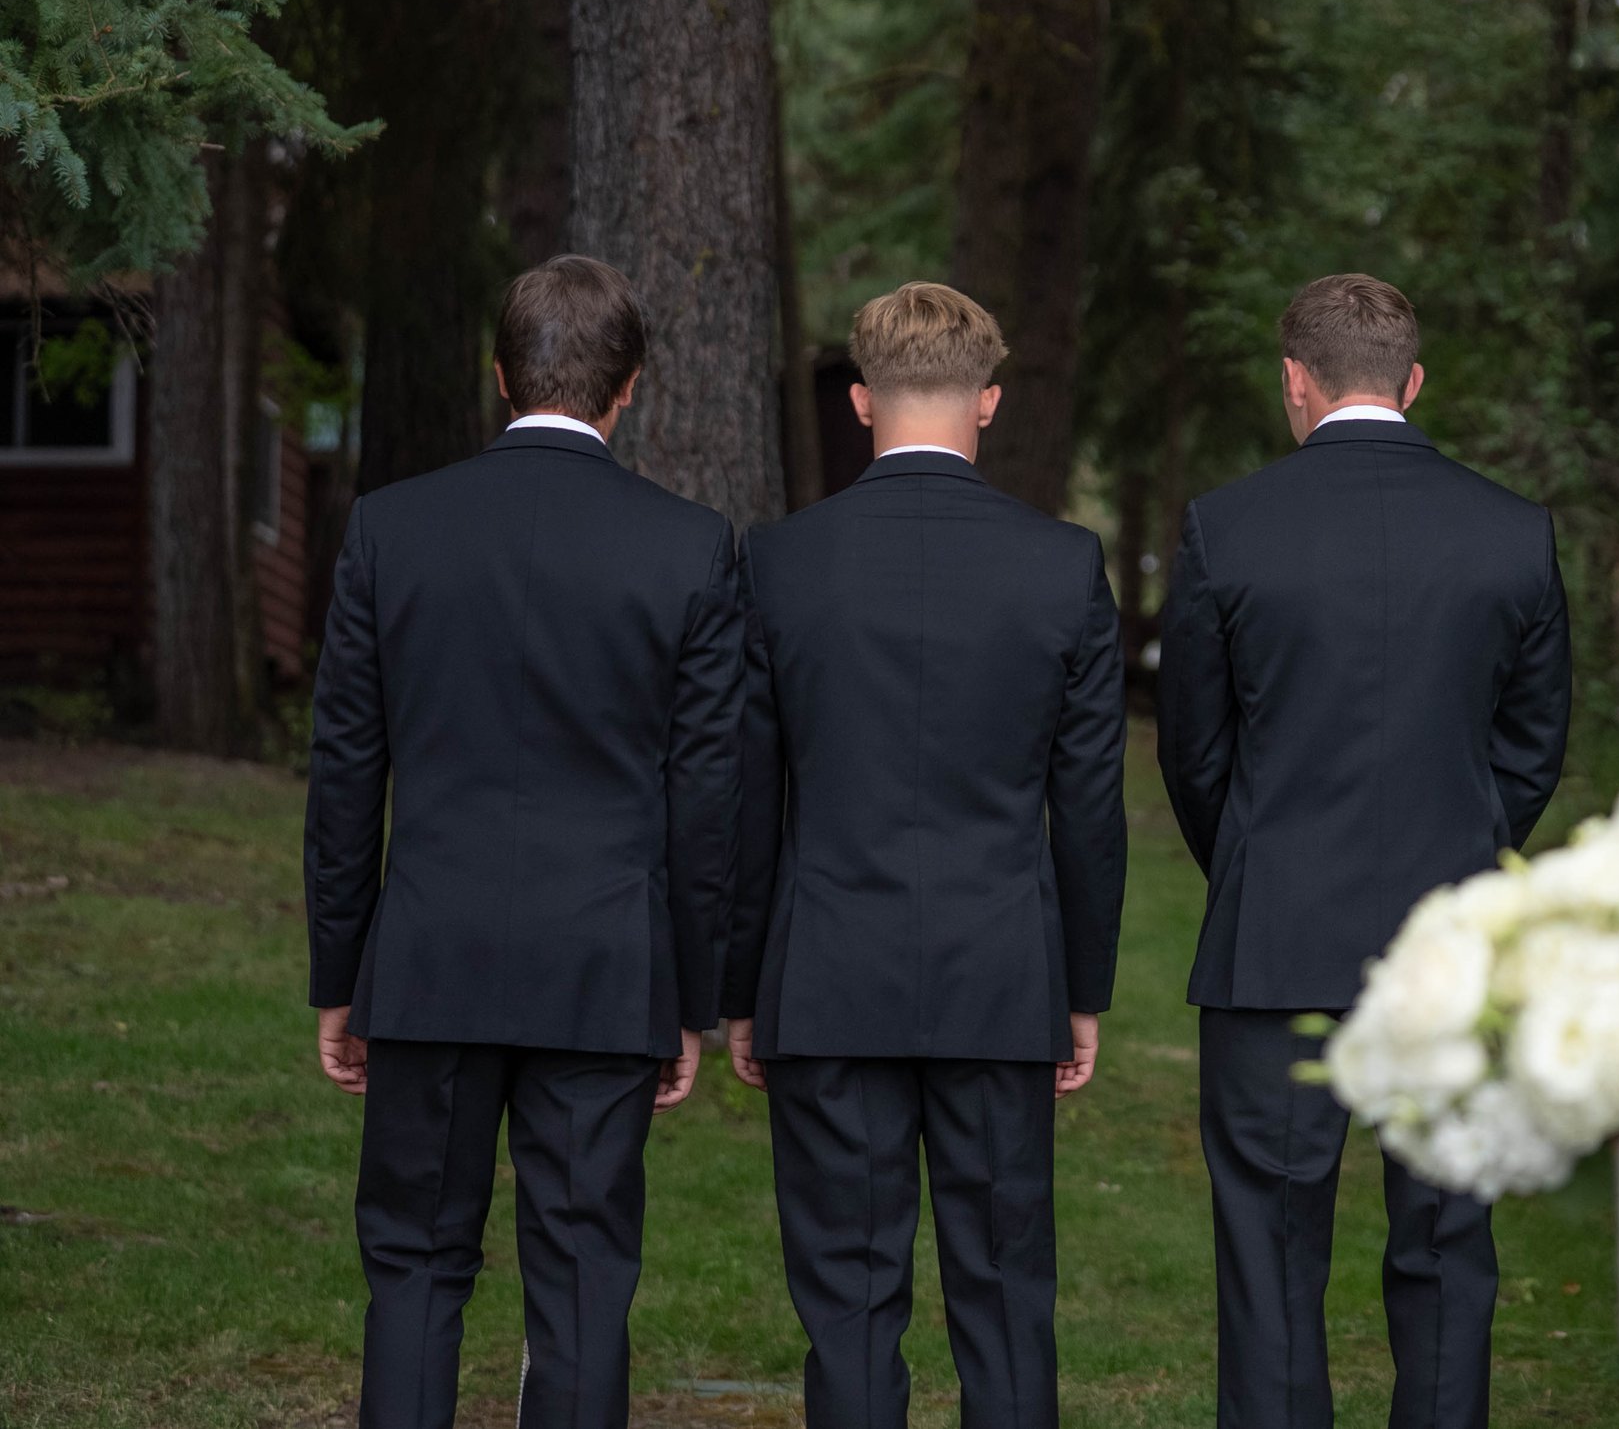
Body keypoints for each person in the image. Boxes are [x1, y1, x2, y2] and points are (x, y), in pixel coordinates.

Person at [302, 255, 744, 1429]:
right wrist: (689, 998)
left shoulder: (392, 529)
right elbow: (705, 795)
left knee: (414, 1264)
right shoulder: (689, 546)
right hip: (603, 968)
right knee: (585, 1278)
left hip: (431, 954)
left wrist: (341, 976)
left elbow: (346, 774)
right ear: (629, 389)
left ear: (500, 375)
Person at [1158, 273, 1573, 1429]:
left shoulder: (1226, 527)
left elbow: (1195, 752)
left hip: (1276, 939)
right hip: (1452, 943)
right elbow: (1531, 748)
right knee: (1447, 1246)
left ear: (1294, 380)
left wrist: (1253, 862)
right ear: (1413, 380)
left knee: (1273, 1258)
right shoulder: (1512, 531)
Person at [723, 281, 1128, 1429]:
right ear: (987, 401)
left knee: (847, 1299)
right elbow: (1088, 804)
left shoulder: (782, 562)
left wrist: (741, 985)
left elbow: (747, 793)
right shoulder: (1060, 565)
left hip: (827, 971)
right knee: (1005, 1297)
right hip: (1001, 974)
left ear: (861, 400)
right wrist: (1080, 989)